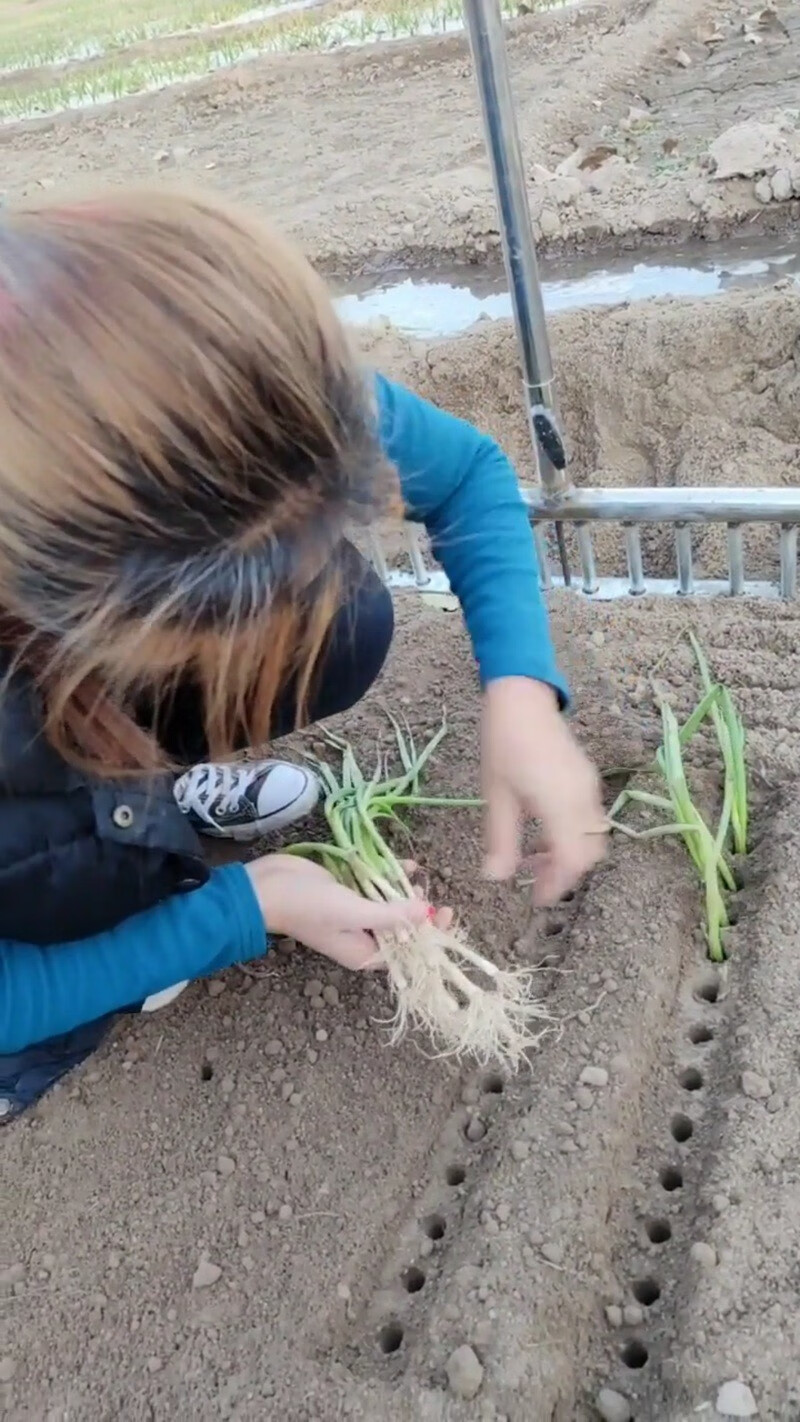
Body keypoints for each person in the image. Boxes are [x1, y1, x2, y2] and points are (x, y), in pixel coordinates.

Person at [0, 186, 606, 1123]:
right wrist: (252, 907)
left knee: (343, 621)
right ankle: (101, 829)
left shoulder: (220, 372)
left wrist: (521, 690)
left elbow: (469, 476)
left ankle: (145, 804)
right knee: (46, 890)